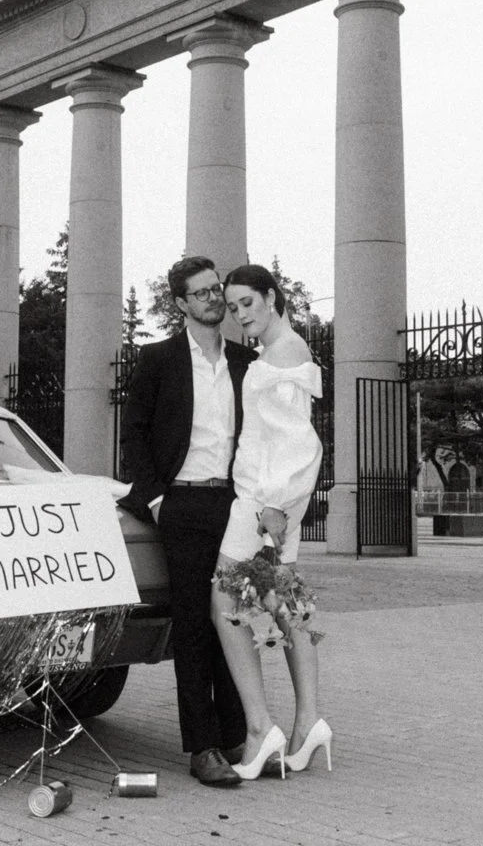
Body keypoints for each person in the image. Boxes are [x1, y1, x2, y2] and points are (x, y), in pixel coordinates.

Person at [119, 256, 255, 787]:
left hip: (235, 505)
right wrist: (155, 502)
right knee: (196, 625)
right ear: (180, 304)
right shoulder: (158, 360)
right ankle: (203, 747)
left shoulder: (246, 362)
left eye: (216, 289)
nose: (214, 299)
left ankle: (239, 734)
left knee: (235, 621)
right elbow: (134, 434)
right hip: (182, 506)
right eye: (200, 293)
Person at [212, 262, 331, 780]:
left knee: (224, 603)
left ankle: (261, 728)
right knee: (283, 601)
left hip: (262, 502)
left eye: (248, 304)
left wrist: (274, 506)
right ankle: (308, 724)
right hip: (270, 499)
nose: (240, 316)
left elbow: (299, 443)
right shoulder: (283, 351)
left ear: (272, 296)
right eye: (234, 308)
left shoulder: (282, 355)